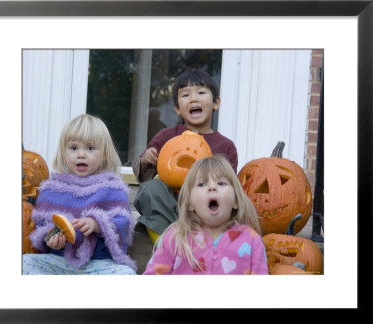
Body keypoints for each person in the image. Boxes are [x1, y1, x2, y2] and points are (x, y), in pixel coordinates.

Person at [23, 114, 137, 275]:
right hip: (59, 263)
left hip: (99, 264)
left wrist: (97, 223)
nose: (81, 154)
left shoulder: (112, 188)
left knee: (126, 274)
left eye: (90, 148)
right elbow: (41, 226)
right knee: (24, 263)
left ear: (104, 154)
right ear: (64, 153)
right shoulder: (52, 189)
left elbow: (123, 222)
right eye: (74, 148)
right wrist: (52, 239)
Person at [132, 69, 238, 239]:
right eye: (185, 95)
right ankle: (166, 243)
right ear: (177, 108)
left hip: (202, 209)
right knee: (151, 188)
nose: (193, 98)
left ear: (216, 103)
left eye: (201, 92)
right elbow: (143, 174)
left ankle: (195, 241)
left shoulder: (226, 146)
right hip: (167, 205)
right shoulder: (166, 136)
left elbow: (228, 187)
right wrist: (145, 160)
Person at [143, 156, 268, 274]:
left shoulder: (251, 240)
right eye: (201, 184)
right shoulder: (175, 237)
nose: (212, 187)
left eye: (221, 183)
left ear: (235, 200)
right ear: (190, 203)